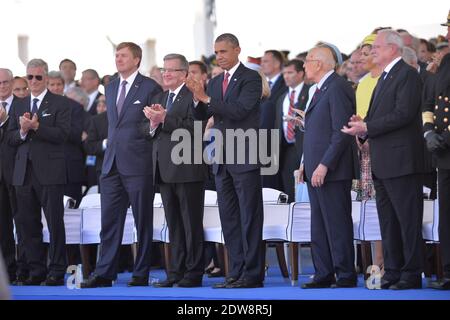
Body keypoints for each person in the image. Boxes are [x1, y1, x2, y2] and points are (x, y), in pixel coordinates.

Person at [342, 29, 424, 290]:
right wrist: (363, 127)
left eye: (377, 46)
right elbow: (380, 117)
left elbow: (404, 114)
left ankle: (410, 274)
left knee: (407, 220)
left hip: (402, 161)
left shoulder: (407, 75)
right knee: (388, 221)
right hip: (383, 161)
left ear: (392, 48)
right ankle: (393, 271)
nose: (372, 50)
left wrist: (367, 126)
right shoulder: (384, 78)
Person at [186, 33, 264, 288]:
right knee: (229, 218)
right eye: (216, 52)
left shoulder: (250, 77)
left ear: (237, 50)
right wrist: (197, 97)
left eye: (223, 51)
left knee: (249, 216)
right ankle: (235, 271)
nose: (219, 56)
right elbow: (204, 114)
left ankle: (252, 274)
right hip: (220, 158)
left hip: (244, 156)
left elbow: (240, 111)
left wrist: (207, 98)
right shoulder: (216, 81)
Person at [81, 42, 162, 288]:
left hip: (138, 163)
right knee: (109, 221)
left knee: (142, 220)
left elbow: (152, 124)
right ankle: (105, 273)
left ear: (137, 60)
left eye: (124, 55)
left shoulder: (150, 86)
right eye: (116, 55)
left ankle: (141, 273)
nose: (118, 59)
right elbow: (113, 124)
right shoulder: (112, 84)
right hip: (111, 165)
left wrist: (147, 127)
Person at [143, 53, 208, 288]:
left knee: (190, 225)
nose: (166, 73)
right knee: (174, 225)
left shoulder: (193, 96)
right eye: (164, 69)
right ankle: (175, 272)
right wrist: (153, 124)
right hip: (164, 169)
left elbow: (197, 128)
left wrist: (165, 119)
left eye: (171, 70)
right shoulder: (160, 96)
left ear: (184, 74)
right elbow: (150, 131)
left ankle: (193, 273)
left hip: (188, 168)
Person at [8, 59, 71, 286]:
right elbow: (10, 137)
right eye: (29, 77)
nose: (33, 81)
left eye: (38, 77)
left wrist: (36, 127)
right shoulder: (18, 104)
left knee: (55, 223)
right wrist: (23, 132)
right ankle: (36, 270)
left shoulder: (60, 103)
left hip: (51, 172)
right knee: (27, 223)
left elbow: (63, 135)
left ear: (46, 78)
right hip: (23, 172)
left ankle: (56, 270)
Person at [298, 45, 357, 289]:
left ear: (320, 63)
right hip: (315, 167)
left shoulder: (337, 87)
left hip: (332, 170)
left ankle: (344, 274)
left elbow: (340, 133)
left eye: (307, 60)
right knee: (319, 223)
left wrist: (323, 165)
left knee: (336, 222)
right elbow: (318, 131)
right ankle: (324, 272)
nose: (304, 65)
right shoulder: (319, 89)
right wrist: (305, 163)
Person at [426, 11, 450, 290]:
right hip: (443, 152)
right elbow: (431, 102)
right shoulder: (445, 62)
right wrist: (429, 131)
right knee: (447, 214)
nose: (446, 34)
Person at [274, 59, 309, 202]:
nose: (286, 76)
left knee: (305, 191)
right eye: (284, 73)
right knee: (289, 190)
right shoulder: (282, 97)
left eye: (290, 72)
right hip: (286, 150)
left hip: (305, 150)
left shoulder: (311, 92)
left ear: (301, 73)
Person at [0, 68, 22, 283]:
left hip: (17, 172)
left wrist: (5, 121)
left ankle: (25, 269)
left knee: (22, 222)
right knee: (3, 225)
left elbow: (19, 137)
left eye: (6, 82)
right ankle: (8, 270)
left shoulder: (22, 104)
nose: (3, 86)